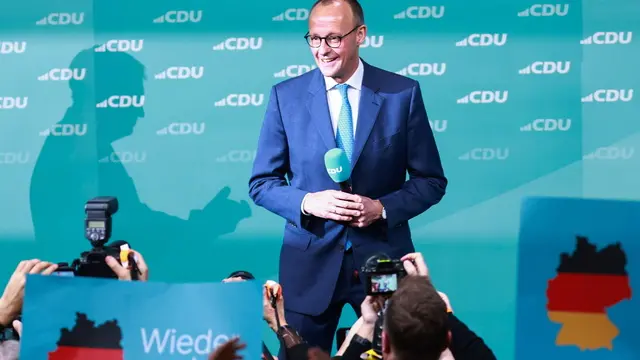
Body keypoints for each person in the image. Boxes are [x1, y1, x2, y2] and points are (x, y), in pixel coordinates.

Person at [248, 0, 447, 355]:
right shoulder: (285, 97)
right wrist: (309, 201)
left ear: (361, 35)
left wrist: (381, 208)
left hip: (383, 264)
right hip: (308, 267)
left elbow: (430, 180)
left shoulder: (401, 94)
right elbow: (262, 183)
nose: (322, 50)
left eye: (334, 38)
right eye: (314, 39)